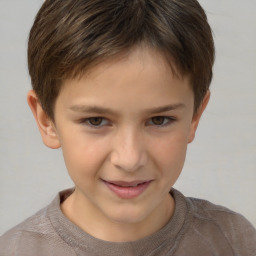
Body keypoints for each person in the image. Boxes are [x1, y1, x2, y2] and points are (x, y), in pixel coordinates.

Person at [0, 0, 255, 255]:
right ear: (47, 121)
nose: (130, 159)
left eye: (159, 120)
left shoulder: (235, 242)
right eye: (96, 121)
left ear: (195, 116)